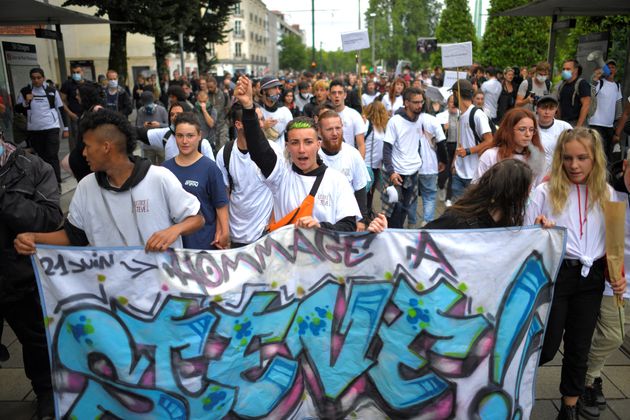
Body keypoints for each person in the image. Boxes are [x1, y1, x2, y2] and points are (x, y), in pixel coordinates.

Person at [14, 109, 204, 252]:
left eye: (87, 146)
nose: (83, 153)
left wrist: (174, 230)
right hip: (112, 296)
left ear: (106, 147)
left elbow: (197, 219)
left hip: (162, 294)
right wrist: (34, 238)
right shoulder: (86, 187)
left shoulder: (159, 177)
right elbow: (74, 236)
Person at [525, 127, 615, 419]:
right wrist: (539, 229)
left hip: (591, 279)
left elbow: (613, 240)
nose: (574, 165)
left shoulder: (607, 192)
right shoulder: (545, 191)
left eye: (582, 158)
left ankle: (569, 406)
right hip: (556, 275)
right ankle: (514, 384)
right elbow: (525, 237)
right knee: (547, 346)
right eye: (567, 158)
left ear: (595, 159)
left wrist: (617, 275)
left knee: (579, 346)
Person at [235, 75, 360, 232]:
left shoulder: (338, 181)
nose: (301, 149)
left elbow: (349, 226)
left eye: (308, 142)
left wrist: (320, 227)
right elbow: (259, 150)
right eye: (295, 143)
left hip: (323, 255)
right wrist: (248, 107)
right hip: (285, 256)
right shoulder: (280, 176)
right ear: (287, 146)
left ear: (318, 144)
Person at [1, 135, 63, 420]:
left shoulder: (34, 168)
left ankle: (47, 393)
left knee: (38, 341)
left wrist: (5, 196)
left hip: (22, 277)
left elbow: (49, 219)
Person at [579, 153, 629, 419]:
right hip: (615, 280)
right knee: (613, 335)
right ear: (625, 166)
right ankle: (586, 379)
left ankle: (592, 377)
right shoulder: (610, 195)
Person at [216, 103, 281, 248]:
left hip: (264, 234)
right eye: (254, 119)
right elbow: (224, 195)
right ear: (238, 124)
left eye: (261, 119)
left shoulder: (273, 151)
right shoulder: (224, 154)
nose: (260, 124)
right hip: (235, 235)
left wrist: (272, 223)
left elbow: (279, 189)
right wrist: (223, 229)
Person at [162, 113, 228, 250]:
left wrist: (224, 232)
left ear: (199, 136)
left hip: (204, 243)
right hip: (173, 245)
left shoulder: (210, 168)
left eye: (190, 136)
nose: (185, 141)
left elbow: (220, 204)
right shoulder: (164, 169)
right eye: (180, 136)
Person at [382, 87, 438, 228]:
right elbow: (387, 149)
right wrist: (392, 172)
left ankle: (398, 235)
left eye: (421, 102)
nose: (420, 105)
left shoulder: (420, 120)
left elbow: (417, 143)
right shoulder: (395, 121)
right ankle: (393, 237)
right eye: (416, 102)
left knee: (405, 209)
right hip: (397, 174)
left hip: (413, 173)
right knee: (394, 210)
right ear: (406, 103)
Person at [426, 159, 537, 229]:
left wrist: (539, 230)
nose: (529, 196)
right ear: (513, 193)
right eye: (527, 191)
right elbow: (421, 239)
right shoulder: (456, 219)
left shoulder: (509, 222)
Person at [317, 110, 370, 230]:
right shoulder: (314, 155)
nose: (335, 133)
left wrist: (361, 220)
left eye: (338, 128)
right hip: (321, 221)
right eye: (329, 129)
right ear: (319, 132)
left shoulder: (353, 154)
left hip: (346, 221)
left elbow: (360, 188)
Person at [14, 67, 67, 186]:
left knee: (52, 154)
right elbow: (17, 109)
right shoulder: (25, 91)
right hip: (35, 129)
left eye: (39, 78)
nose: (36, 80)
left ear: (43, 78)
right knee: (41, 157)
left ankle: (56, 182)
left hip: (52, 127)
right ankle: (45, 182)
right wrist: (25, 102)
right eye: (33, 78)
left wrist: (66, 128)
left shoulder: (52, 91)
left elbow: (61, 109)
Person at [473, 108, 545, 185]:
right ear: (509, 130)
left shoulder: (536, 158)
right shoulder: (491, 155)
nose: (528, 134)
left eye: (531, 130)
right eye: (522, 129)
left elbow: (539, 187)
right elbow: (477, 187)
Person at [451, 79, 494, 200]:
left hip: (474, 175)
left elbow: (489, 140)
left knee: (470, 213)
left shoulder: (477, 114)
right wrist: (454, 162)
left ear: (457, 94)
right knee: (458, 211)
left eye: (453, 94)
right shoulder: (460, 116)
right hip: (459, 173)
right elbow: (460, 143)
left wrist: (468, 151)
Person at [137, 102, 215, 162]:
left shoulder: (203, 144)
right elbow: (139, 133)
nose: (174, 117)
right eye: (172, 114)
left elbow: (213, 173)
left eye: (178, 114)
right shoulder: (166, 134)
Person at [67, 81, 106, 182]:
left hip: (88, 161)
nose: (76, 97)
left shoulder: (97, 110)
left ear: (86, 96)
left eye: (78, 95)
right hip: (82, 160)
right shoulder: (86, 109)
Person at [589, 67, 623, 164]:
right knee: (596, 152)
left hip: (609, 126)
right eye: (608, 67)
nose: (611, 69)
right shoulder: (600, 82)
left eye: (613, 67)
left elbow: (618, 104)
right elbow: (592, 90)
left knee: (606, 154)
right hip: (596, 123)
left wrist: (617, 127)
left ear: (616, 71)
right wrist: (595, 78)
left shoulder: (617, 86)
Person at [363, 101, 388, 218]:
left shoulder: (382, 128)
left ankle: (368, 212)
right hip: (367, 165)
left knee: (371, 192)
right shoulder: (367, 126)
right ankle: (364, 215)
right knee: (366, 192)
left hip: (377, 166)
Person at [328, 80, 366, 158]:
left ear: (345, 95)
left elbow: (361, 145)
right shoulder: (325, 116)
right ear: (329, 95)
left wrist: (359, 165)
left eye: (340, 92)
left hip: (349, 160)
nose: (337, 95)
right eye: (334, 93)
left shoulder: (354, 115)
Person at [536, 95, 573, 173]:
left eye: (551, 108)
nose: (547, 112)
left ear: (556, 110)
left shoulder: (564, 127)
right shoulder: (530, 127)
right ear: (537, 109)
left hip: (559, 172)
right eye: (543, 108)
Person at [258, 76, 294, 147]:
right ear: (264, 91)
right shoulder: (257, 111)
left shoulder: (285, 111)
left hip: (282, 154)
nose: (278, 91)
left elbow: (291, 133)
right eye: (274, 88)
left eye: (279, 88)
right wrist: (263, 127)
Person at [556, 59, 591, 127]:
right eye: (564, 69)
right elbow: (559, 105)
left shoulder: (582, 84)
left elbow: (586, 105)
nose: (565, 71)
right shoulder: (562, 85)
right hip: (563, 123)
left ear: (576, 70)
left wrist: (578, 127)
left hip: (576, 123)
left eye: (568, 69)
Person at [60, 64, 86, 151]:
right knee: (76, 139)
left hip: (86, 115)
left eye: (78, 72)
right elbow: (62, 101)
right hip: (74, 116)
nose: (76, 74)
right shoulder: (67, 84)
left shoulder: (88, 84)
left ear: (82, 72)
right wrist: (70, 113)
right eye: (73, 72)